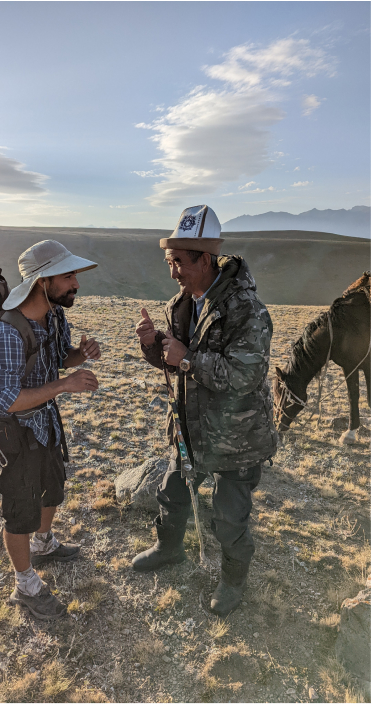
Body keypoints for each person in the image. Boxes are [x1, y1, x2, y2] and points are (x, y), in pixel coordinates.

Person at [133, 205, 278, 616]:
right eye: (169, 262)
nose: (173, 272)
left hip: (237, 436)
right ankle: (169, 549)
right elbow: (171, 361)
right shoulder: (182, 303)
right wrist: (153, 345)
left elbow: (245, 377)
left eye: (180, 262)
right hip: (190, 429)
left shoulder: (247, 309)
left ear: (206, 259)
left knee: (229, 518)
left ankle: (233, 582)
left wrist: (187, 359)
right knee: (173, 492)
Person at [0, 240, 101, 620]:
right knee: (20, 510)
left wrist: (80, 356)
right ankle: (25, 585)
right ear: (41, 280)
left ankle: (44, 544)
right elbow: (4, 399)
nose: (76, 284)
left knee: (53, 487)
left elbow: (58, 357)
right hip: (16, 432)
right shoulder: (8, 330)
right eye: (68, 276)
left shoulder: (53, 315)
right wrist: (64, 386)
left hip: (46, 422)